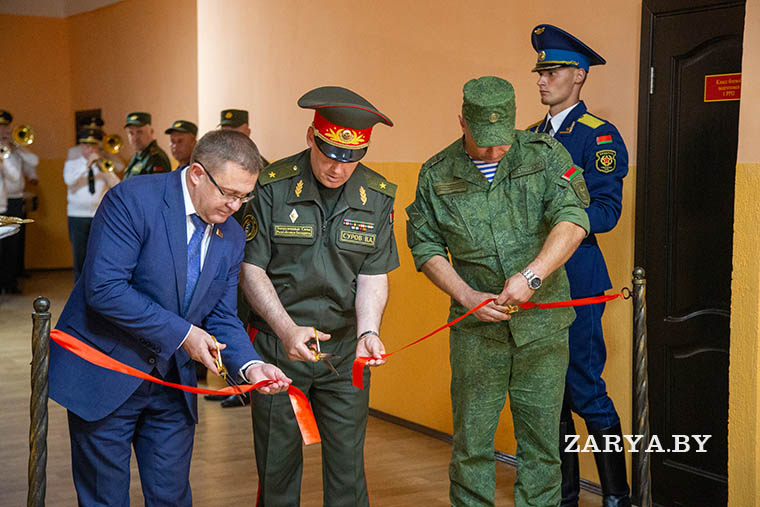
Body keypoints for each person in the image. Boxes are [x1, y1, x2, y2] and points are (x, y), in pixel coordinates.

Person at [48, 130, 291, 506]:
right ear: (197, 174)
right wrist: (184, 335)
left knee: (172, 497)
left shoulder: (231, 236)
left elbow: (221, 315)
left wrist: (250, 365)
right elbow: (105, 289)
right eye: (228, 193)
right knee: (104, 498)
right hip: (106, 374)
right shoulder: (132, 200)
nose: (235, 206)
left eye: (245, 196)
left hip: (171, 384)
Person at [406, 76, 591, 506]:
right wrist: (466, 296)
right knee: (471, 445)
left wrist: (532, 276)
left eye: (502, 140)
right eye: (483, 141)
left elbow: (573, 219)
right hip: (476, 332)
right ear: (462, 123)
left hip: (542, 329)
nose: (494, 151)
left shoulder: (545, 156)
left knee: (542, 447)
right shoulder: (436, 173)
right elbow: (425, 245)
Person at [240, 85, 397, 505]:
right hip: (277, 347)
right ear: (311, 136)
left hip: (343, 354)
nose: (338, 168)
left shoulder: (377, 195)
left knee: (348, 471)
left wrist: (368, 332)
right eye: (329, 153)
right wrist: (286, 330)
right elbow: (251, 268)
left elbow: (373, 273)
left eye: (352, 157)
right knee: (277, 468)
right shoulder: (272, 186)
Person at [527, 24, 631, 507]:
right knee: (549, 394)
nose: (542, 80)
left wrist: (562, 226)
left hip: (577, 279)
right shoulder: (528, 138)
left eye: (552, 71)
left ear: (579, 75)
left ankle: (616, 496)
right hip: (534, 282)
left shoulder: (597, 135)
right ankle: (564, 496)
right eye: (540, 72)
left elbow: (606, 210)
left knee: (585, 388)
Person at [207, 108, 269, 405]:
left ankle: (240, 383)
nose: (235, 203)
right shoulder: (214, 165)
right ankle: (233, 381)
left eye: (241, 196)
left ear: (248, 130)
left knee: (238, 318)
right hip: (222, 252)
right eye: (225, 129)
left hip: (248, 256)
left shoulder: (263, 172)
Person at [63, 127, 120, 281]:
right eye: (87, 146)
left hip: (99, 215)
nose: (90, 149)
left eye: (93, 146)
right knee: (80, 256)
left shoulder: (104, 164)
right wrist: (86, 166)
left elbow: (116, 185)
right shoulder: (72, 164)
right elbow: (69, 181)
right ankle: (79, 289)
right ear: (81, 147)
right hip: (77, 216)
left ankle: (97, 288)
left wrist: (104, 169)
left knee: (99, 254)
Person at [0, 109, 38, 294]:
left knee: (12, 242)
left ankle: (10, 281)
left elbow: (33, 162)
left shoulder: (15, 148)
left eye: (5, 127)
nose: (3, 130)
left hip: (14, 199)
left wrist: (16, 146)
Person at [122, 111, 171, 179]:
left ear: (151, 132)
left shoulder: (156, 159)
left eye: (139, 132)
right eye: (131, 133)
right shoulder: (137, 157)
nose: (135, 138)